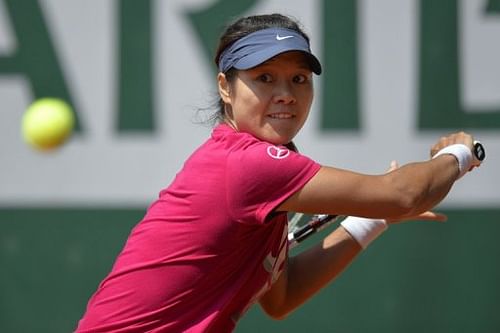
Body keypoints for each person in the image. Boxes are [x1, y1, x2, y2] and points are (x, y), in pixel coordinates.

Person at [76, 13, 481, 332]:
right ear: (225, 87)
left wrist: (370, 221)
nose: (285, 93)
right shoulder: (249, 166)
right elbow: (403, 194)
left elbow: (280, 297)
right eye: (264, 78)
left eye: (298, 79)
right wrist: (461, 154)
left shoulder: (265, 169)